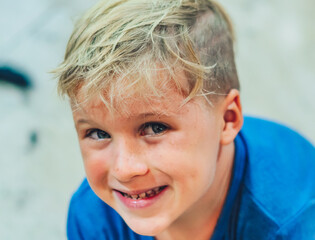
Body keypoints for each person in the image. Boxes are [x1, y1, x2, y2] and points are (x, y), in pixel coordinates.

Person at [54, 0, 315, 239]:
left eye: (154, 128)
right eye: (99, 134)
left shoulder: (293, 224)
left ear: (227, 119)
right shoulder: (94, 219)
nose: (124, 169)